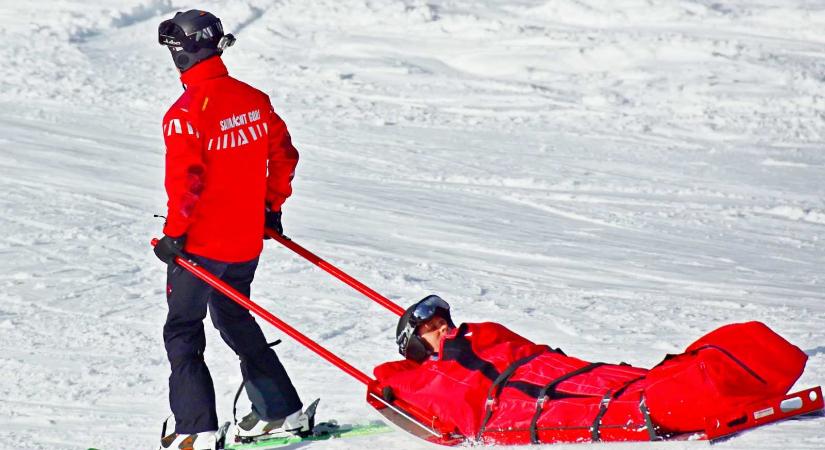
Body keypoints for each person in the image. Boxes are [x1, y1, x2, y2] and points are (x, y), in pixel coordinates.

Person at [154, 10, 305, 450]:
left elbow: (187, 183)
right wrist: (270, 208)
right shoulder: (253, 98)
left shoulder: (184, 112)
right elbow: (285, 156)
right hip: (244, 240)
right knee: (234, 315)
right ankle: (281, 410)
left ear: (181, 56)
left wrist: (174, 235)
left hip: (200, 246)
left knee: (183, 328)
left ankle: (194, 428)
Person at [375, 295, 809, 444]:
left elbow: (520, 351)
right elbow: (401, 389)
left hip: (549, 371)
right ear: (416, 349)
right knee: (630, 403)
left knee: (628, 383)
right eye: (431, 331)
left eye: (443, 321)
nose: (444, 329)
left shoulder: (479, 338)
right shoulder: (437, 377)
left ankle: (732, 366)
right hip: (517, 400)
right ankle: (709, 386)